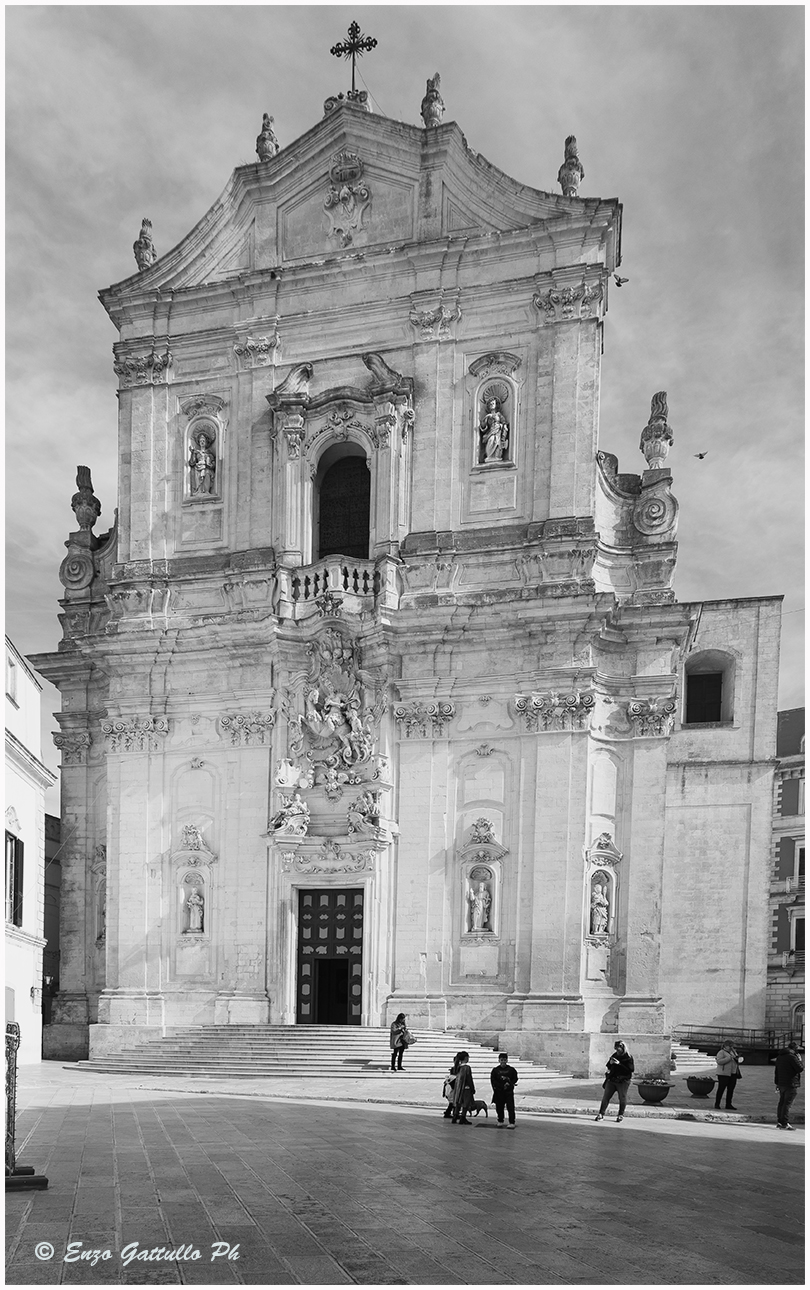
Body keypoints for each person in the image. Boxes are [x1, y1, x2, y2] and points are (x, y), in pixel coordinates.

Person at [595, 1040, 634, 1122]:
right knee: (606, 1097)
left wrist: (619, 1064)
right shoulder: (615, 1055)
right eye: (616, 1049)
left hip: (623, 1080)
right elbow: (608, 1065)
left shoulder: (628, 1057)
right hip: (612, 1079)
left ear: (622, 1048)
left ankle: (620, 1115)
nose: (617, 1051)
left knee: (622, 1097)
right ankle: (601, 1114)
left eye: (618, 1049)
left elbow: (630, 1069)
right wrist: (610, 1062)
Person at [774, 1041, 803, 1130]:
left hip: (781, 1083)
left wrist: (777, 1083)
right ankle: (784, 1123)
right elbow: (800, 1068)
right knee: (787, 1104)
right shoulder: (792, 1057)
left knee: (782, 1103)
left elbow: (776, 1071)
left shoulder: (780, 1057)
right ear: (794, 1049)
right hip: (791, 1083)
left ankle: (780, 1121)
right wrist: (799, 1060)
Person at [490, 1052, 519, 1128]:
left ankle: (512, 1122)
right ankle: (500, 1120)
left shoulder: (511, 1070)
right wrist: (499, 1086)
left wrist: (509, 1083)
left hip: (508, 1091)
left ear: (507, 1060)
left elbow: (515, 1078)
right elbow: (493, 1080)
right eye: (501, 1060)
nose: (503, 1062)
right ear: (499, 1060)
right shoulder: (495, 1070)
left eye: (504, 1060)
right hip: (499, 1091)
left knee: (510, 1107)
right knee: (499, 1107)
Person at [714, 1040, 743, 1110]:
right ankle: (717, 1104)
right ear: (725, 1046)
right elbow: (719, 1061)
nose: (731, 1047)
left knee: (731, 1090)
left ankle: (728, 1104)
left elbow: (736, 1061)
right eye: (730, 1046)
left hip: (733, 1073)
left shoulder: (733, 1052)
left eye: (732, 1046)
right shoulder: (721, 1052)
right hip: (723, 1074)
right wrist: (729, 1058)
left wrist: (738, 1059)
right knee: (721, 1089)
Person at [450, 1050, 475, 1124]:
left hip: (458, 1087)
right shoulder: (467, 1067)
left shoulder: (457, 1067)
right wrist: (472, 1088)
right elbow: (469, 1078)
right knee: (465, 1103)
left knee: (458, 1102)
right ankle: (463, 1117)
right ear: (466, 1058)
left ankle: (455, 1116)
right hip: (466, 1087)